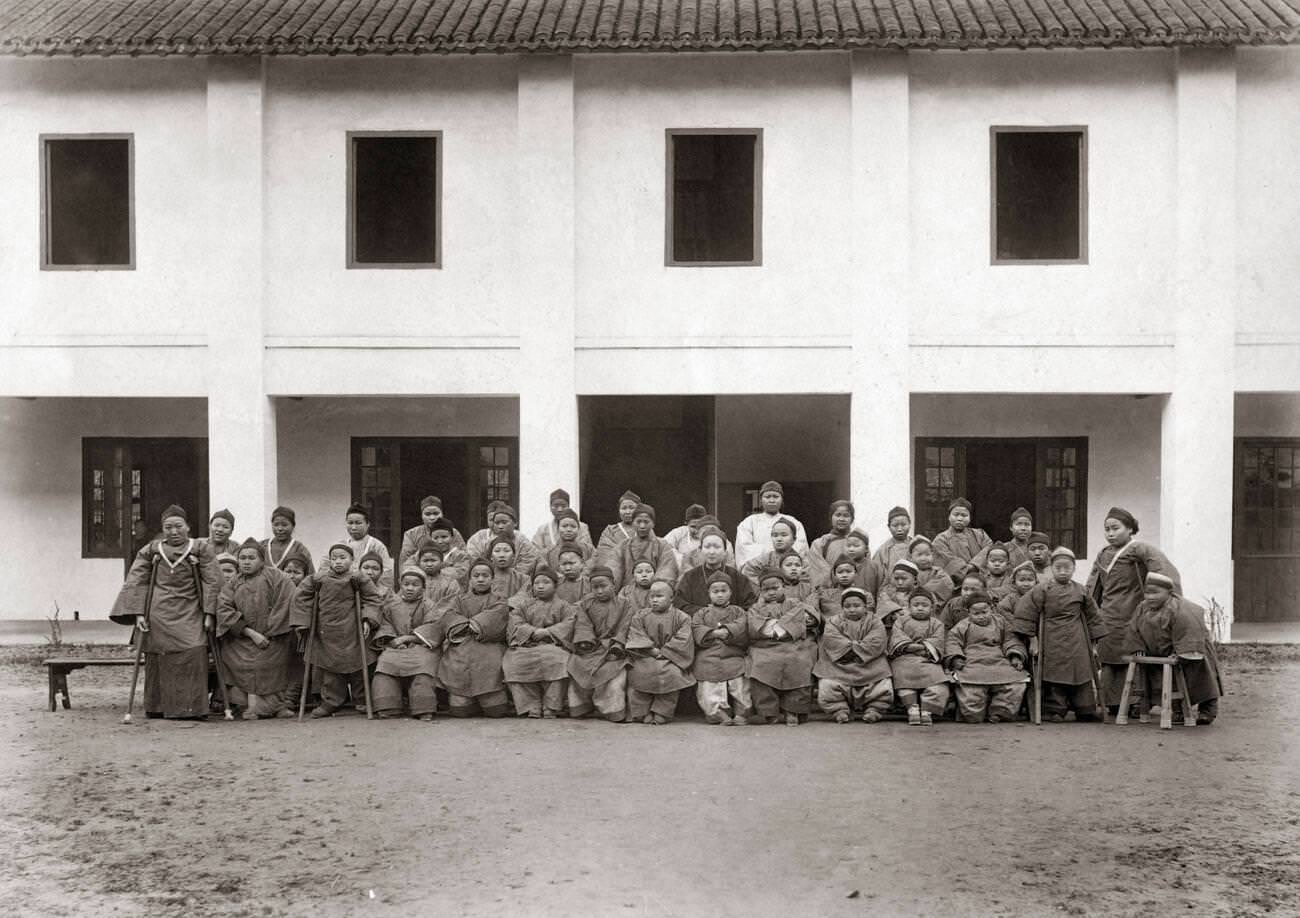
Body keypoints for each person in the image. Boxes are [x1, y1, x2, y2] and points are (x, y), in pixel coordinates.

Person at [111, 505, 220, 720]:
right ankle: (157, 706)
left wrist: (210, 614)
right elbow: (136, 581)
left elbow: (213, 581)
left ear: (187, 527)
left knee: (194, 650)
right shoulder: (151, 549)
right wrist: (139, 614)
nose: (174, 531)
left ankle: (191, 708)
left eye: (178, 526)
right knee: (158, 654)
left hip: (191, 610)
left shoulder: (200, 549)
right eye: (168, 527)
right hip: (158, 611)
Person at [1085, 507, 1180, 713]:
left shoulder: (1140, 550)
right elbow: (1093, 585)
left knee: (1132, 654)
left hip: (1132, 612)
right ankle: (1111, 701)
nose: (1110, 533)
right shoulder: (1103, 554)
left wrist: (1165, 598)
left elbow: (1162, 570)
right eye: (1107, 529)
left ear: (1129, 529)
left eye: (1115, 528)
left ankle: (1136, 702)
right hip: (1108, 613)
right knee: (1109, 656)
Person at [1013, 547, 1108, 723]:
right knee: (1054, 672)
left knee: (1082, 670)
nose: (1063, 572)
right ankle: (1055, 709)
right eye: (1058, 568)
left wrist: (1094, 646)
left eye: (1067, 568)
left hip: (1078, 637)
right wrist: (1033, 639)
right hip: (1051, 636)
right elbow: (1026, 612)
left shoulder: (1081, 590)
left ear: (1074, 569)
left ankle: (1085, 708)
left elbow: (1094, 616)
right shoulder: (1042, 589)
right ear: (1052, 568)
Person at [291, 543, 383, 718]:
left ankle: (361, 699)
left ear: (351, 560)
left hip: (352, 630)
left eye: (343, 558)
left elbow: (373, 599)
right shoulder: (318, 579)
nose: (338, 562)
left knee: (358, 665)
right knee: (330, 669)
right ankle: (332, 702)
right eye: (334, 558)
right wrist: (303, 622)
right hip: (326, 631)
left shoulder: (359, 578)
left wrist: (368, 619)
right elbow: (300, 597)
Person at [1122, 572, 1221, 725]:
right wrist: (1137, 647)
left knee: (1201, 677)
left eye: (1156, 593)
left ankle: (1208, 709)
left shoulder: (1182, 609)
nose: (1150, 597)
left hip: (1191, 646)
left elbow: (1189, 631)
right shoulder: (1142, 608)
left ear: (1169, 592)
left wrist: (1182, 652)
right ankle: (1176, 709)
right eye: (1147, 593)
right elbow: (1132, 628)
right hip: (1159, 652)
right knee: (1162, 679)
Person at [215, 538, 297, 719]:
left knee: (269, 661)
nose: (246, 562)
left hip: (273, 638)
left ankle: (273, 706)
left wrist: (269, 631)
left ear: (262, 559)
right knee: (237, 661)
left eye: (251, 558)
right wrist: (250, 633)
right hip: (242, 640)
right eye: (242, 558)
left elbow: (286, 603)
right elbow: (223, 609)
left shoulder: (278, 578)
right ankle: (253, 706)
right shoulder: (233, 583)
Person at [370, 567, 446, 721]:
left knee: (423, 668)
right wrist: (393, 640)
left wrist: (408, 639)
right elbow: (385, 624)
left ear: (423, 587)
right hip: (395, 646)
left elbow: (433, 628)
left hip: (422, 646)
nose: (410, 588)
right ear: (400, 585)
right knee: (385, 665)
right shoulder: (391, 605)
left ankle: (423, 708)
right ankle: (388, 706)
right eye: (406, 584)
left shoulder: (430, 606)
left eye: (415, 584)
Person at [745, 569, 819, 726]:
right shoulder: (755, 608)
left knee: (800, 662)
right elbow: (754, 625)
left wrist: (775, 626)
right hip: (764, 646)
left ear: (783, 587)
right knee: (759, 666)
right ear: (760, 591)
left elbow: (799, 619)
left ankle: (793, 710)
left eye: (775, 588)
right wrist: (779, 627)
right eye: (766, 589)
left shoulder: (795, 603)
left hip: (792, 644)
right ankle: (769, 712)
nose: (771, 592)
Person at [438, 559, 511, 718]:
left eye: (485, 575)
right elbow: (449, 616)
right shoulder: (459, 600)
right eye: (476, 575)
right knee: (460, 711)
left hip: (489, 647)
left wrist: (470, 624)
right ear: (470, 579)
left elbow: (498, 617)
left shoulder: (500, 600)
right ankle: (467, 699)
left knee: (496, 710)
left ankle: (485, 698)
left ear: (492, 579)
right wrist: (465, 625)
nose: (480, 579)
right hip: (461, 648)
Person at [944, 590, 1029, 723]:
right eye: (976, 613)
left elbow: (1010, 639)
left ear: (992, 609)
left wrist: (1014, 656)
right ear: (968, 612)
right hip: (972, 661)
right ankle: (973, 714)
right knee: (971, 689)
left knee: (1015, 685)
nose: (981, 617)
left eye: (984, 612)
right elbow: (953, 641)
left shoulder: (1001, 622)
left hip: (999, 660)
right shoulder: (962, 626)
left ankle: (1000, 713)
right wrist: (956, 657)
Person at [503, 567, 576, 719]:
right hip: (527, 645)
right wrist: (531, 631)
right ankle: (531, 705)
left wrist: (548, 632)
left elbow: (569, 623)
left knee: (560, 661)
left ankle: (551, 706)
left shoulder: (564, 606)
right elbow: (515, 622)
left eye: (546, 582)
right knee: (513, 663)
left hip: (554, 646)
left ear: (555, 586)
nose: (541, 586)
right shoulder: (523, 605)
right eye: (537, 583)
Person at [815, 587, 893, 724]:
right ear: (842, 607)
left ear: (865, 606)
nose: (852, 609)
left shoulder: (875, 621)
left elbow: (877, 640)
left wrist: (854, 650)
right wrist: (851, 650)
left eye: (856, 606)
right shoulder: (833, 621)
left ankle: (874, 709)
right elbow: (831, 638)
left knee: (882, 685)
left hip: (869, 662)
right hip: (840, 662)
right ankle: (838, 709)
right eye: (847, 606)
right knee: (828, 685)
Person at [567, 566, 635, 722]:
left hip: (614, 649)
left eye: (603, 586)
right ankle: (581, 707)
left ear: (613, 584)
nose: (599, 591)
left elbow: (626, 626)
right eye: (595, 587)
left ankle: (612, 710)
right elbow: (582, 624)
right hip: (591, 646)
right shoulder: (586, 603)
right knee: (576, 665)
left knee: (614, 673)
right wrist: (585, 642)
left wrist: (617, 646)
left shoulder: (625, 604)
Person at [625, 581, 695, 725]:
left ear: (671, 598)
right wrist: (650, 649)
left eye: (659, 596)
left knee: (672, 675)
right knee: (638, 673)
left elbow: (683, 638)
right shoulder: (640, 615)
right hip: (645, 655)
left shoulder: (682, 617)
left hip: (672, 658)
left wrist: (665, 652)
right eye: (652, 596)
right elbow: (636, 634)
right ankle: (641, 713)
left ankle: (662, 713)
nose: (654, 600)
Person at [691, 571, 751, 726]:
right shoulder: (702, 613)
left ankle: (742, 712)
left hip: (733, 653)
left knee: (740, 683)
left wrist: (728, 631)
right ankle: (716, 712)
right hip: (708, 654)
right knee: (708, 686)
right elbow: (696, 627)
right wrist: (715, 633)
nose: (719, 595)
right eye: (715, 591)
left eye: (724, 591)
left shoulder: (738, 611)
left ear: (730, 592)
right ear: (709, 594)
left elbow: (743, 625)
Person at [887, 589, 950, 726]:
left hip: (927, 660)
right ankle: (912, 708)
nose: (920, 608)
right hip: (904, 659)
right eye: (916, 605)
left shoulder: (936, 623)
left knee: (939, 684)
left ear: (932, 607)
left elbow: (938, 641)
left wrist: (923, 648)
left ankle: (928, 710)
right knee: (903, 682)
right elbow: (897, 638)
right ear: (909, 607)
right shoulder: (901, 621)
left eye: (924, 605)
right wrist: (911, 647)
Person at [674, 526, 756, 615]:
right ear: (700, 550)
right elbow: (680, 605)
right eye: (707, 547)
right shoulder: (690, 577)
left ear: (725, 551)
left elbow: (749, 605)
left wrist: (727, 614)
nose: (712, 552)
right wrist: (706, 613)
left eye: (717, 547)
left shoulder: (737, 576)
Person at [735, 481, 809, 568]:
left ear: (782, 499)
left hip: (787, 570)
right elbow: (744, 548)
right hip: (759, 570)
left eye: (776, 496)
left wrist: (781, 558)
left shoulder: (793, 522)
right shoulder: (749, 522)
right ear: (761, 500)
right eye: (767, 497)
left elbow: (800, 546)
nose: (772, 500)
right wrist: (776, 552)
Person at [322, 503, 394, 589]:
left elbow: (386, 575)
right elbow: (324, 568)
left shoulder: (377, 546)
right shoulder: (339, 546)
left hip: (370, 593)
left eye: (358, 523)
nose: (353, 527)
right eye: (350, 523)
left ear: (368, 524)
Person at [608, 503, 678, 591]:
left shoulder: (662, 546)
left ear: (653, 524)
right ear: (632, 523)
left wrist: (657, 588)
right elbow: (614, 570)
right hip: (627, 594)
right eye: (638, 522)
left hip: (653, 593)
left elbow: (667, 570)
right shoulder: (622, 546)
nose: (642, 526)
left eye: (646, 522)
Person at [740, 517, 821, 588]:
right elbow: (748, 572)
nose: (779, 539)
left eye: (784, 535)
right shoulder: (764, 558)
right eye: (775, 535)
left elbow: (807, 583)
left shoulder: (802, 562)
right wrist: (766, 586)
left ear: (794, 539)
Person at [466, 504, 540, 578]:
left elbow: (528, 563)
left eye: (504, 523)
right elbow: (474, 560)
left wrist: (507, 576)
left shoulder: (523, 542)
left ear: (515, 523)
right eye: (497, 523)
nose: (500, 526)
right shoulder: (480, 538)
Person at [932, 498, 992, 587]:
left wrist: (974, 565)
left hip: (981, 581)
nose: (960, 518)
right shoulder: (941, 539)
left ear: (970, 517)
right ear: (949, 516)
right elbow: (946, 560)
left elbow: (989, 548)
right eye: (956, 515)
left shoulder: (980, 534)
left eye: (964, 515)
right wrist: (966, 569)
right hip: (955, 584)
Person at [397, 496, 468, 572]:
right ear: (422, 516)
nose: (432, 517)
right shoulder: (411, 534)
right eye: (427, 514)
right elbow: (405, 563)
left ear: (442, 514)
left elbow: (464, 560)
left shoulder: (454, 533)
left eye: (436, 513)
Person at [531, 489, 594, 555]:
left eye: (563, 506)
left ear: (568, 506)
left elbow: (589, 551)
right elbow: (534, 553)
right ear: (550, 507)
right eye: (556, 506)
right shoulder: (543, 529)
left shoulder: (582, 527)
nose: (560, 509)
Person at [594, 490, 642, 567]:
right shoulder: (610, 531)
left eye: (631, 508)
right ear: (619, 511)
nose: (627, 511)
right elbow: (604, 555)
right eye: (624, 508)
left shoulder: (644, 529)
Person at [484, 537, 532, 609]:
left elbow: (523, 597)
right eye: (497, 551)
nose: (502, 555)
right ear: (491, 557)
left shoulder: (524, 579)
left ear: (513, 556)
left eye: (506, 551)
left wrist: (504, 606)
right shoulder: (483, 577)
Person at [263, 506, 313, 575]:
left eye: (284, 525)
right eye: (276, 525)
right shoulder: (262, 546)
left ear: (293, 526)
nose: (280, 528)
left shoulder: (299, 549)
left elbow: (310, 576)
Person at [909, 536, 955, 609]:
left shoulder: (938, 572)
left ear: (933, 555)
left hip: (936, 609)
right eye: (919, 555)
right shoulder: (909, 573)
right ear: (910, 557)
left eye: (927, 554)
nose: (923, 558)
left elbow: (947, 586)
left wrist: (921, 590)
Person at [542, 509, 594, 574]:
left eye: (573, 526)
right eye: (564, 526)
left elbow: (594, 566)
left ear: (578, 529)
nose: (569, 529)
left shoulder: (589, 549)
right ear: (558, 528)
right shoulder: (548, 553)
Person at [808, 500, 856, 570]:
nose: (841, 519)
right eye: (838, 515)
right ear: (831, 518)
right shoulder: (820, 544)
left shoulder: (859, 543)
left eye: (846, 515)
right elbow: (817, 569)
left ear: (852, 519)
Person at [876, 559, 921, 630]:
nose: (900, 582)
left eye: (904, 578)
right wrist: (896, 611)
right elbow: (883, 606)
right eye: (896, 578)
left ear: (915, 579)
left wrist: (905, 614)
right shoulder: (886, 592)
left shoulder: (921, 593)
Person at [661, 503, 708, 568]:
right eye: (693, 527)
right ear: (687, 524)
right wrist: (680, 557)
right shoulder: (679, 533)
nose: (697, 530)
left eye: (701, 526)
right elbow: (663, 546)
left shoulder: (712, 534)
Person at [415, 544, 462, 609]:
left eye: (433, 560)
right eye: (425, 561)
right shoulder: (412, 579)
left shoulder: (450, 582)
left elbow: (452, 603)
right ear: (419, 563)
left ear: (442, 562)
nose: (429, 564)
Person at [872, 506, 913, 572]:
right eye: (895, 525)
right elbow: (875, 572)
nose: (899, 529)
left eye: (903, 525)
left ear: (910, 524)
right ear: (889, 527)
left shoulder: (916, 546)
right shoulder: (883, 551)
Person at [997, 562, 1040, 626]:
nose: (1026, 584)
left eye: (1030, 580)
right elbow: (1001, 608)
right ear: (1014, 583)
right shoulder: (1011, 598)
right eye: (1022, 580)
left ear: (1036, 582)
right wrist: (1015, 621)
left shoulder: (1039, 598)